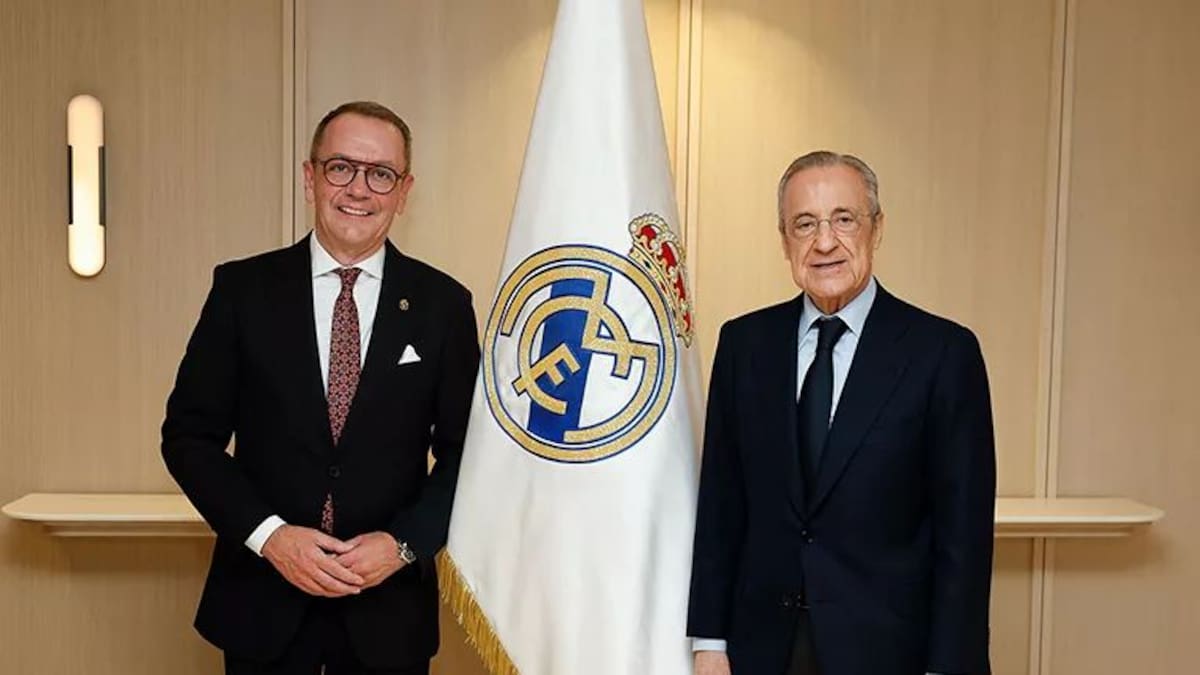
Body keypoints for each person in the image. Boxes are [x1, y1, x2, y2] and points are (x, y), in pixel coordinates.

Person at [162, 100, 479, 675]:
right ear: (310, 178)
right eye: (341, 168)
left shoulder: (444, 306)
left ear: (403, 190)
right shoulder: (242, 291)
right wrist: (271, 537)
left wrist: (404, 545)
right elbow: (189, 437)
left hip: (388, 614)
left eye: (380, 173)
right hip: (263, 608)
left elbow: (469, 454)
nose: (359, 189)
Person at [688, 151, 996, 675]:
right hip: (761, 647)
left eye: (844, 219)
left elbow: (963, 536)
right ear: (784, 240)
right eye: (804, 224)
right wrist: (709, 641)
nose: (824, 242)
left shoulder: (942, 352)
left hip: (891, 651)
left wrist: (950, 665)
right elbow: (723, 502)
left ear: (876, 229)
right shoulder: (744, 345)